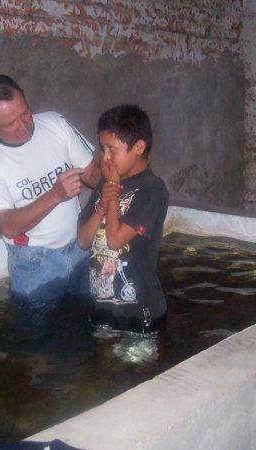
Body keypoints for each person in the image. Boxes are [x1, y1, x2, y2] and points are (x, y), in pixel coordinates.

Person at [0, 75, 100, 317]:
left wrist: (121, 180)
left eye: (25, 113)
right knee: (35, 333)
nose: (24, 126)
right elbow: (7, 226)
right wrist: (55, 195)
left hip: (80, 245)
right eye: (10, 123)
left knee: (86, 317)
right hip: (34, 261)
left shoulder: (55, 123)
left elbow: (92, 173)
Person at [77, 105, 169, 333]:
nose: (105, 158)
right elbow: (83, 241)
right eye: (102, 149)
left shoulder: (152, 190)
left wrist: (113, 194)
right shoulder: (106, 184)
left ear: (138, 147)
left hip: (139, 313)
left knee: (137, 369)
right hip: (102, 307)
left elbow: (115, 241)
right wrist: (101, 206)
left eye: (112, 149)